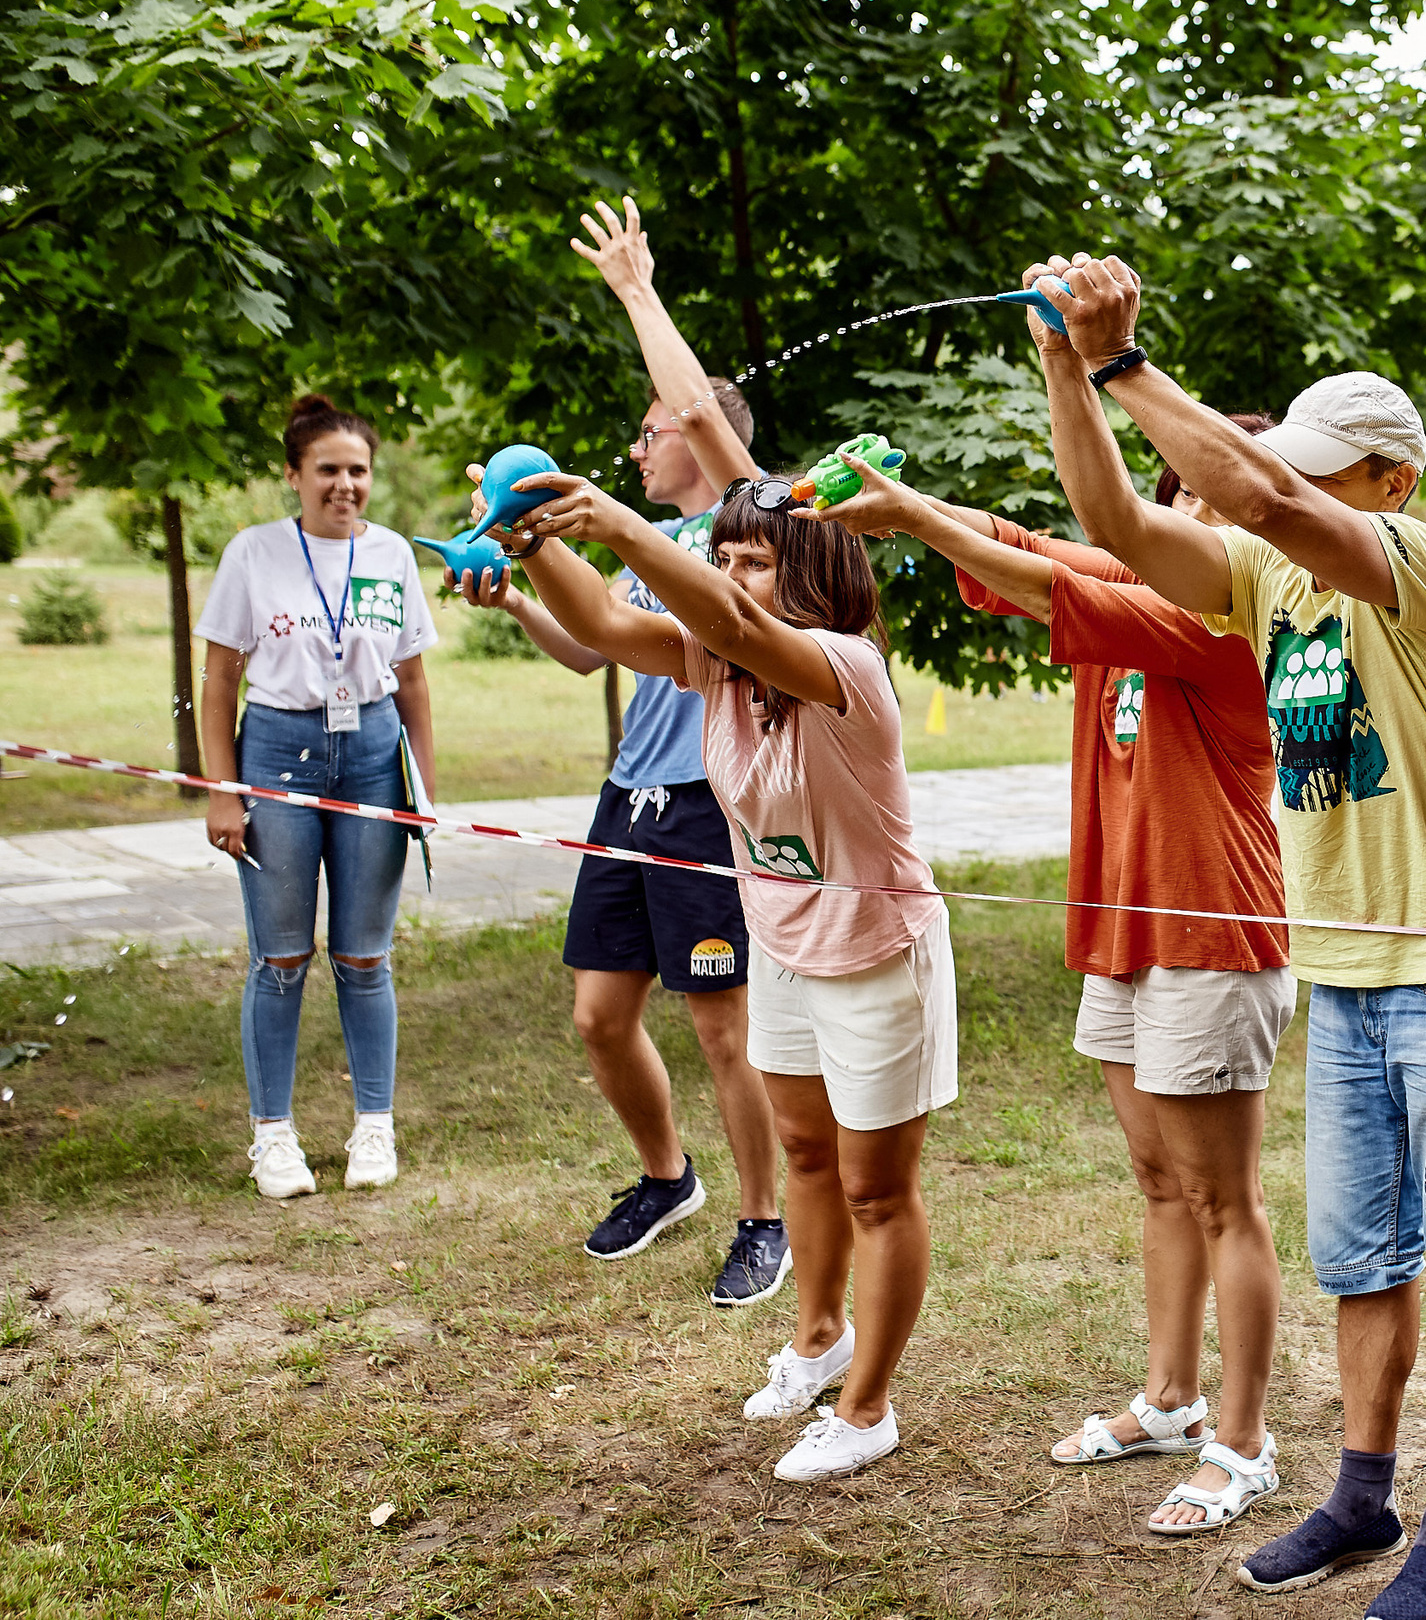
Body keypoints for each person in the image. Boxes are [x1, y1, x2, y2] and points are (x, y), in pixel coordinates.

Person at [1023, 254, 1426, 1620]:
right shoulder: (1269, 587)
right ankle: (1363, 1492)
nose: (1294, 490)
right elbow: (1117, 520)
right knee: (1362, 1258)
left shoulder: (1424, 572)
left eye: (1329, 473)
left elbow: (1251, 488)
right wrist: (1067, 371)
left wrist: (1126, 358)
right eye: (1298, 469)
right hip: (1351, 981)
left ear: (1391, 484)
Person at [805, 409, 1293, 1535]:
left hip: (1210, 934)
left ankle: (1243, 1442)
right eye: (1181, 492)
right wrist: (908, 504)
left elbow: (1043, 591)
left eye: (1225, 500)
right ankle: (1170, 1400)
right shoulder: (1143, 569)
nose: (1195, 515)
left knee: (1225, 1200)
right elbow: (1024, 549)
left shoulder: (1234, 618)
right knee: (1159, 1182)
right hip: (1123, 934)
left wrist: (914, 518)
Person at [488, 443, 955, 1485]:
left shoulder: (846, 667)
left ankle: (868, 1406)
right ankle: (818, 1336)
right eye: (726, 557)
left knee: (879, 1191)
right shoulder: (720, 664)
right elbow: (607, 627)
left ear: (814, 572)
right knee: (803, 1155)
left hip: (880, 957)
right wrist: (531, 544)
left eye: (755, 560)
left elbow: (735, 621)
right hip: (784, 946)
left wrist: (616, 524)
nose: (736, 578)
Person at [448, 199, 782, 1308]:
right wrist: (519, 577)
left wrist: (638, 290)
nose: (637, 446)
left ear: (694, 437)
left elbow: (692, 399)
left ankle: (762, 1217)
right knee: (599, 1012)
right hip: (629, 797)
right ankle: (666, 1178)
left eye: (648, 431)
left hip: (708, 804)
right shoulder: (644, 551)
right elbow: (594, 650)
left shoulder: (741, 531)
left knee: (724, 1027)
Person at [197, 395, 438, 1200]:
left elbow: (412, 680)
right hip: (276, 751)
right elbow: (219, 678)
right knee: (281, 956)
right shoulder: (253, 553)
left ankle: (375, 1125)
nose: (345, 484)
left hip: (372, 753)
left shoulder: (394, 553)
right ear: (295, 475)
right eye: (328, 469)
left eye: (358, 470)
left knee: (365, 956)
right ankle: (273, 1138)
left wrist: (422, 790)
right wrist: (223, 791)